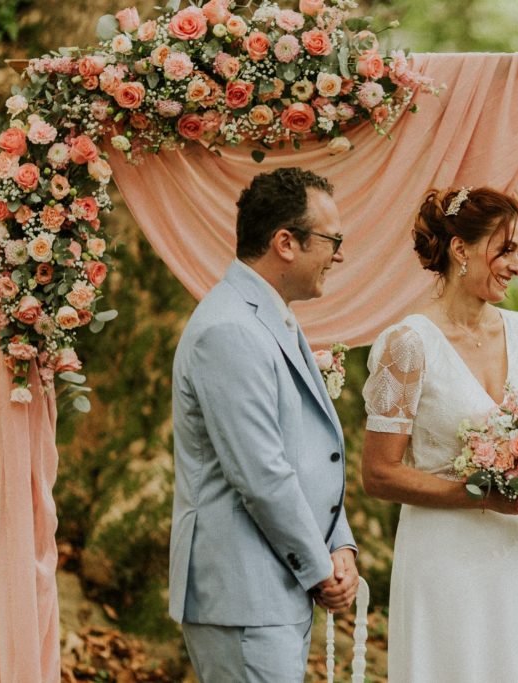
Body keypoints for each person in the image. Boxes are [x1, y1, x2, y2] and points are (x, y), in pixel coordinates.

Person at [361, 186, 518, 682]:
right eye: (505, 250)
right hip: (443, 556)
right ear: (460, 249)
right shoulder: (409, 346)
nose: (517, 266)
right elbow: (377, 475)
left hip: (512, 557)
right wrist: (481, 498)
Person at [169, 167, 359, 681]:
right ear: (285, 243)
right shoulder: (229, 329)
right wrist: (320, 571)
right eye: (332, 239)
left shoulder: (268, 316)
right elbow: (260, 473)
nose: (339, 254)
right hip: (243, 594)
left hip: (274, 587)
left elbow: (309, 454)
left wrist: (339, 543)